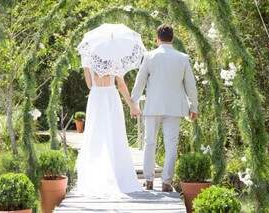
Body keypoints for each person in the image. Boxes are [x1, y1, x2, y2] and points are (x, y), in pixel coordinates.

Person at [130, 24, 198, 192]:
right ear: (172, 38)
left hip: (153, 106)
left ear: (157, 38)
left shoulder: (149, 56)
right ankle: (166, 182)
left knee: (149, 142)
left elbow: (140, 82)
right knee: (171, 145)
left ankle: (149, 180)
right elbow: (191, 85)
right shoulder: (182, 58)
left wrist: (134, 102)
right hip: (175, 108)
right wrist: (193, 106)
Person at [76, 68, 142, 197]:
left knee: (96, 137)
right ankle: (118, 175)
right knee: (115, 136)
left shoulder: (88, 58)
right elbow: (121, 85)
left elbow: (89, 85)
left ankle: (95, 176)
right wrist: (132, 105)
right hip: (111, 97)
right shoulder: (114, 59)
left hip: (96, 98)